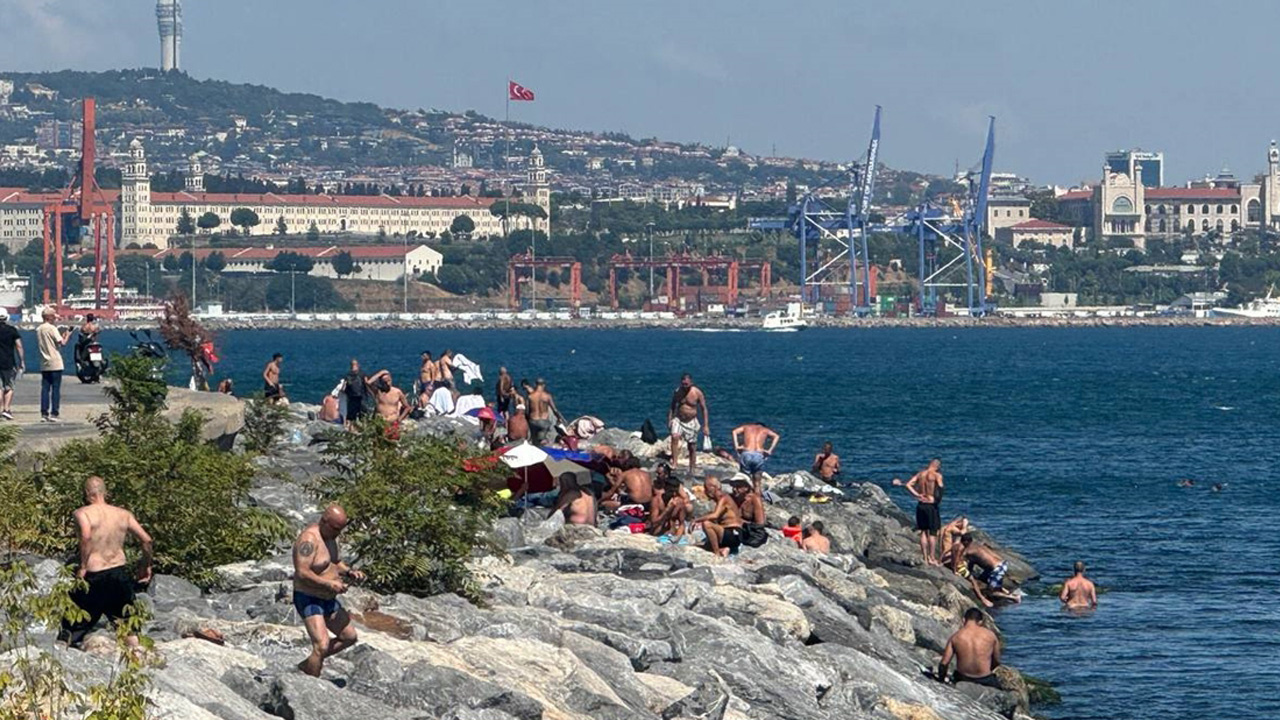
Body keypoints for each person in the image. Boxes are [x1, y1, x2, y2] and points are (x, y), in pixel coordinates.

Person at [58, 476, 153, 650]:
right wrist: (145, 565)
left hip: (93, 574)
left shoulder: (82, 513)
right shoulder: (123, 514)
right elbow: (146, 540)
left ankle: (61, 658)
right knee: (128, 628)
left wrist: (83, 567)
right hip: (118, 573)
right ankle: (137, 662)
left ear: (87, 494)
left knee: (72, 625)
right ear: (105, 492)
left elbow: (86, 536)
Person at [293, 504, 363, 677]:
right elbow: (302, 572)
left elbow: (335, 561)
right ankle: (312, 682)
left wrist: (349, 572)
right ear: (324, 521)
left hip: (328, 599)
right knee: (322, 645)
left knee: (349, 637)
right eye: (336, 529)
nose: (338, 533)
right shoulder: (309, 540)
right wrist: (329, 584)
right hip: (309, 598)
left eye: (341, 529)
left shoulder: (330, 537)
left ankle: (307, 665)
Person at [893, 458, 944, 566]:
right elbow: (940, 489)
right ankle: (931, 557)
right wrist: (936, 500)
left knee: (923, 531)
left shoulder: (921, 474)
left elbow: (908, 485)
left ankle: (925, 557)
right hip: (930, 505)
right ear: (937, 466)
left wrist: (917, 495)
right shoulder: (936, 475)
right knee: (933, 532)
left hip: (921, 504)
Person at [938, 608, 1002, 688]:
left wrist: (941, 680)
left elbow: (944, 663)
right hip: (985, 679)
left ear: (964, 620)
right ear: (980, 622)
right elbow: (996, 661)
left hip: (963, 678)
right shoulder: (991, 636)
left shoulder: (955, 637)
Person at [954, 533, 1020, 608]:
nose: (961, 544)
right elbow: (972, 562)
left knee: (992, 592)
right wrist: (970, 571)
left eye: (962, 542)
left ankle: (1014, 598)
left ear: (966, 542)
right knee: (982, 580)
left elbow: (957, 558)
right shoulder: (977, 545)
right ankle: (1006, 591)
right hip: (1001, 563)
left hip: (997, 568)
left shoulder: (968, 551)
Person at [668, 373, 709, 475]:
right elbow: (672, 406)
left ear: (691, 382)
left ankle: (692, 467)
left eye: (687, 384)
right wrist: (670, 419)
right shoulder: (677, 392)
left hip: (691, 421)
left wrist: (706, 425)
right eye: (683, 383)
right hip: (679, 419)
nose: (685, 385)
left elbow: (704, 409)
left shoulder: (697, 392)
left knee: (692, 446)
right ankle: (675, 462)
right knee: (674, 437)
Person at [693, 477, 743, 557]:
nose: (705, 492)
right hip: (731, 534)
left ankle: (716, 553)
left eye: (706, 488)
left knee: (707, 524)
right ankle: (724, 548)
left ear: (713, 488)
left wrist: (696, 520)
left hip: (733, 533)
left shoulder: (724, 498)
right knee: (701, 545)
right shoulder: (721, 500)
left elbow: (715, 515)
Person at [36, 309, 71, 422]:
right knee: (56, 388)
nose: (55, 319)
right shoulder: (52, 328)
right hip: (55, 362)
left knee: (45, 388)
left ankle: (44, 413)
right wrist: (67, 335)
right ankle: (54, 413)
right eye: (53, 317)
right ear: (49, 317)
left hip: (44, 362)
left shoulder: (39, 329)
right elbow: (63, 343)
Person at [732, 422, 779, 494]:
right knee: (757, 481)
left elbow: (734, 432)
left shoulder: (746, 427)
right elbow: (776, 436)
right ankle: (758, 498)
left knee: (743, 477)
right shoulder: (765, 430)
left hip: (747, 453)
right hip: (758, 455)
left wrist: (737, 446)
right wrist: (769, 450)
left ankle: (743, 497)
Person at [0, 313, 24, 421]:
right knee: (9, 386)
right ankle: (6, 409)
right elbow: (19, 346)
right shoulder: (12, 330)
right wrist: (22, 361)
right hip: (9, 362)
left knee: (0, 387)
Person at [333, 359, 370, 426]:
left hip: (353, 397)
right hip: (360, 397)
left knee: (353, 415)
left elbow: (343, 388)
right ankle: (362, 427)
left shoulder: (348, 375)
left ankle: (352, 428)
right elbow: (367, 383)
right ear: (358, 365)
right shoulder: (362, 374)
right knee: (362, 414)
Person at [526, 378, 562, 446]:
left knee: (534, 441)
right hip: (544, 421)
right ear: (544, 385)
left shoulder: (530, 396)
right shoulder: (547, 396)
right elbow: (554, 409)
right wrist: (559, 418)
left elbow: (527, 411)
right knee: (542, 440)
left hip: (533, 421)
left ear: (535, 385)